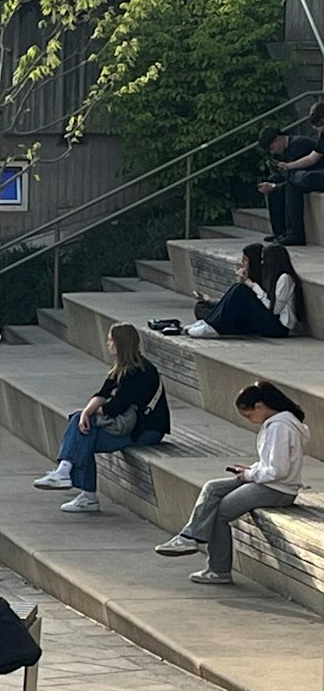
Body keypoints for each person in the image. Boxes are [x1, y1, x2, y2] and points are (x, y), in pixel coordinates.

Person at [155, 382, 308, 583]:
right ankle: (188, 537)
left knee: (220, 512)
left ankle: (218, 570)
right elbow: (272, 464)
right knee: (213, 487)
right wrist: (250, 471)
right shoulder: (278, 424)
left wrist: (249, 475)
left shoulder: (280, 427)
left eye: (248, 415)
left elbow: (277, 471)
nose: (250, 420)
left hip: (277, 489)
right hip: (268, 483)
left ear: (260, 406)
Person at [34, 322, 170, 513]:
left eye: (110, 340)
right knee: (80, 424)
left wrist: (89, 413)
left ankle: (76, 483)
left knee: (83, 436)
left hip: (146, 431)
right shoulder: (122, 367)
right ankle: (67, 475)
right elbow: (102, 393)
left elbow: (113, 408)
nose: (107, 344)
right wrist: (86, 413)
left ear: (120, 344)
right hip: (130, 426)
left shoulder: (139, 371)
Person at [187, 242, 303, 339]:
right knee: (205, 306)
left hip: (277, 328)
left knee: (241, 290)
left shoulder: (285, 279)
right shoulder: (271, 277)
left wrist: (251, 285)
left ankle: (212, 327)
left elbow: (274, 310)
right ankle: (209, 323)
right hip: (266, 320)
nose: (262, 263)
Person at [256, 126, 324, 246]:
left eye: (273, 148)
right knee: (275, 182)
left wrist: (275, 185)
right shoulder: (281, 152)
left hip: (314, 174)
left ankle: (295, 233)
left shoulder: (298, 145)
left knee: (291, 183)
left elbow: (302, 168)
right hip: (301, 175)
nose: (273, 152)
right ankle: (280, 231)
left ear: (278, 139)